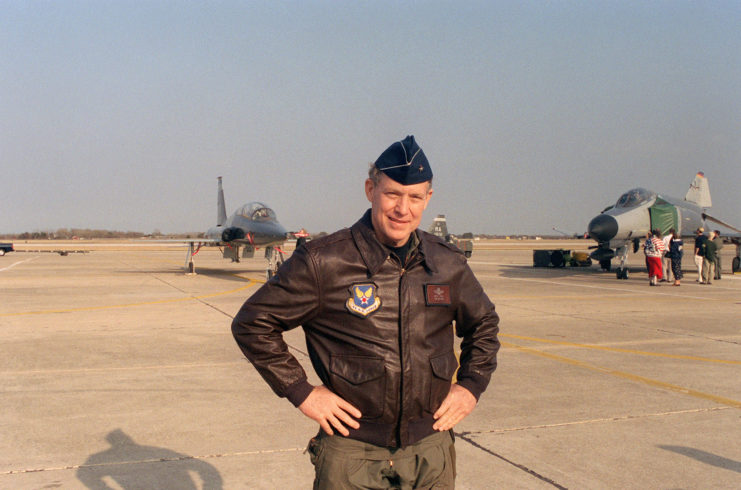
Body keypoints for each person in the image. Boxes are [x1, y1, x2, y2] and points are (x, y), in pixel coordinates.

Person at [231, 135, 500, 489]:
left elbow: (483, 325)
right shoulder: (323, 261)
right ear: (370, 189)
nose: (403, 209)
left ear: (427, 199)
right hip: (351, 451)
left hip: (430, 447)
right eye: (392, 194)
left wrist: (470, 385)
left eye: (415, 197)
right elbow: (253, 324)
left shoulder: (446, 262)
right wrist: (301, 391)